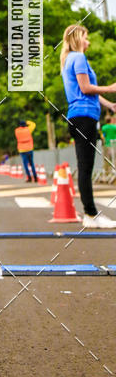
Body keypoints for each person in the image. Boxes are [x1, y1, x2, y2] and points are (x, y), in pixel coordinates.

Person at [60, 24, 116, 228]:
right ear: (77, 39)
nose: (89, 41)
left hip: (80, 117)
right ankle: (91, 215)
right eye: (86, 37)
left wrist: (109, 104)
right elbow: (85, 88)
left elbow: (85, 90)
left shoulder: (70, 60)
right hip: (84, 118)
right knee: (85, 168)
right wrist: (110, 88)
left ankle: (90, 214)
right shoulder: (79, 58)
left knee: (85, 167)